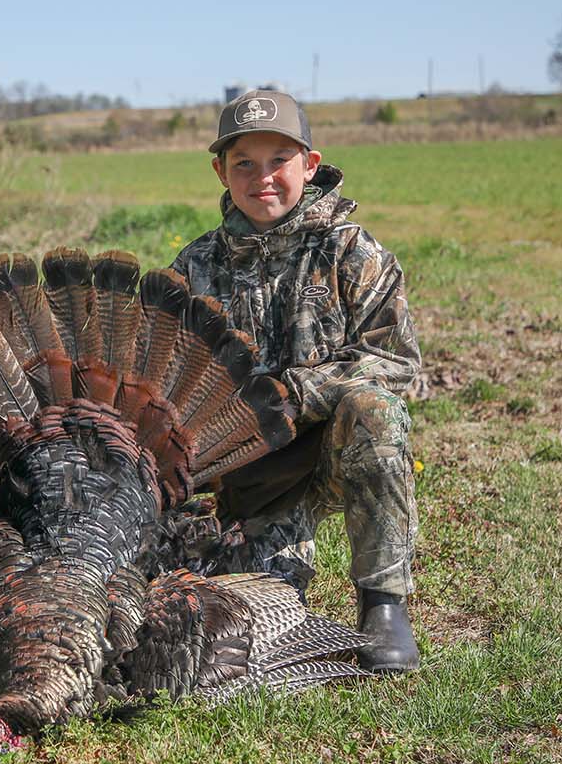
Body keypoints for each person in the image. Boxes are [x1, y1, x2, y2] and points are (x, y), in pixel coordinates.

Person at [171, 89, 425, 673]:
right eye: (244, 163)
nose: (263, 177)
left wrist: (294, 392)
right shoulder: (194, 266)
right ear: (220, 171)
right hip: (246, 474)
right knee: (253, 627)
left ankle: (384, 605)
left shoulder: (352, 253)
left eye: (279, 160)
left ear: (309, 165)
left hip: (329, 453)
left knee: (375, 411)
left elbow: (398, 364)